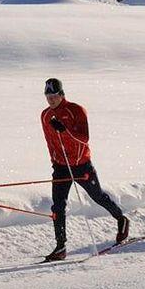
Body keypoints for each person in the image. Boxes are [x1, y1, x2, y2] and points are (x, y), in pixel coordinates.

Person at [40, 77, 131, 261]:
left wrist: (65, 130)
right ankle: (60, 247)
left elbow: (84, 138)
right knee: (58, 206)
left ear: (62, 94)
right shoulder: (45, 115)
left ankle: (121, 219)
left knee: (98, 196)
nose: (51, 100)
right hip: (61, 167)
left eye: (54, 96)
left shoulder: (76, 110)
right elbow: (50, 142)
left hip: (81, 165)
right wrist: (54, 161)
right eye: (48, 97)